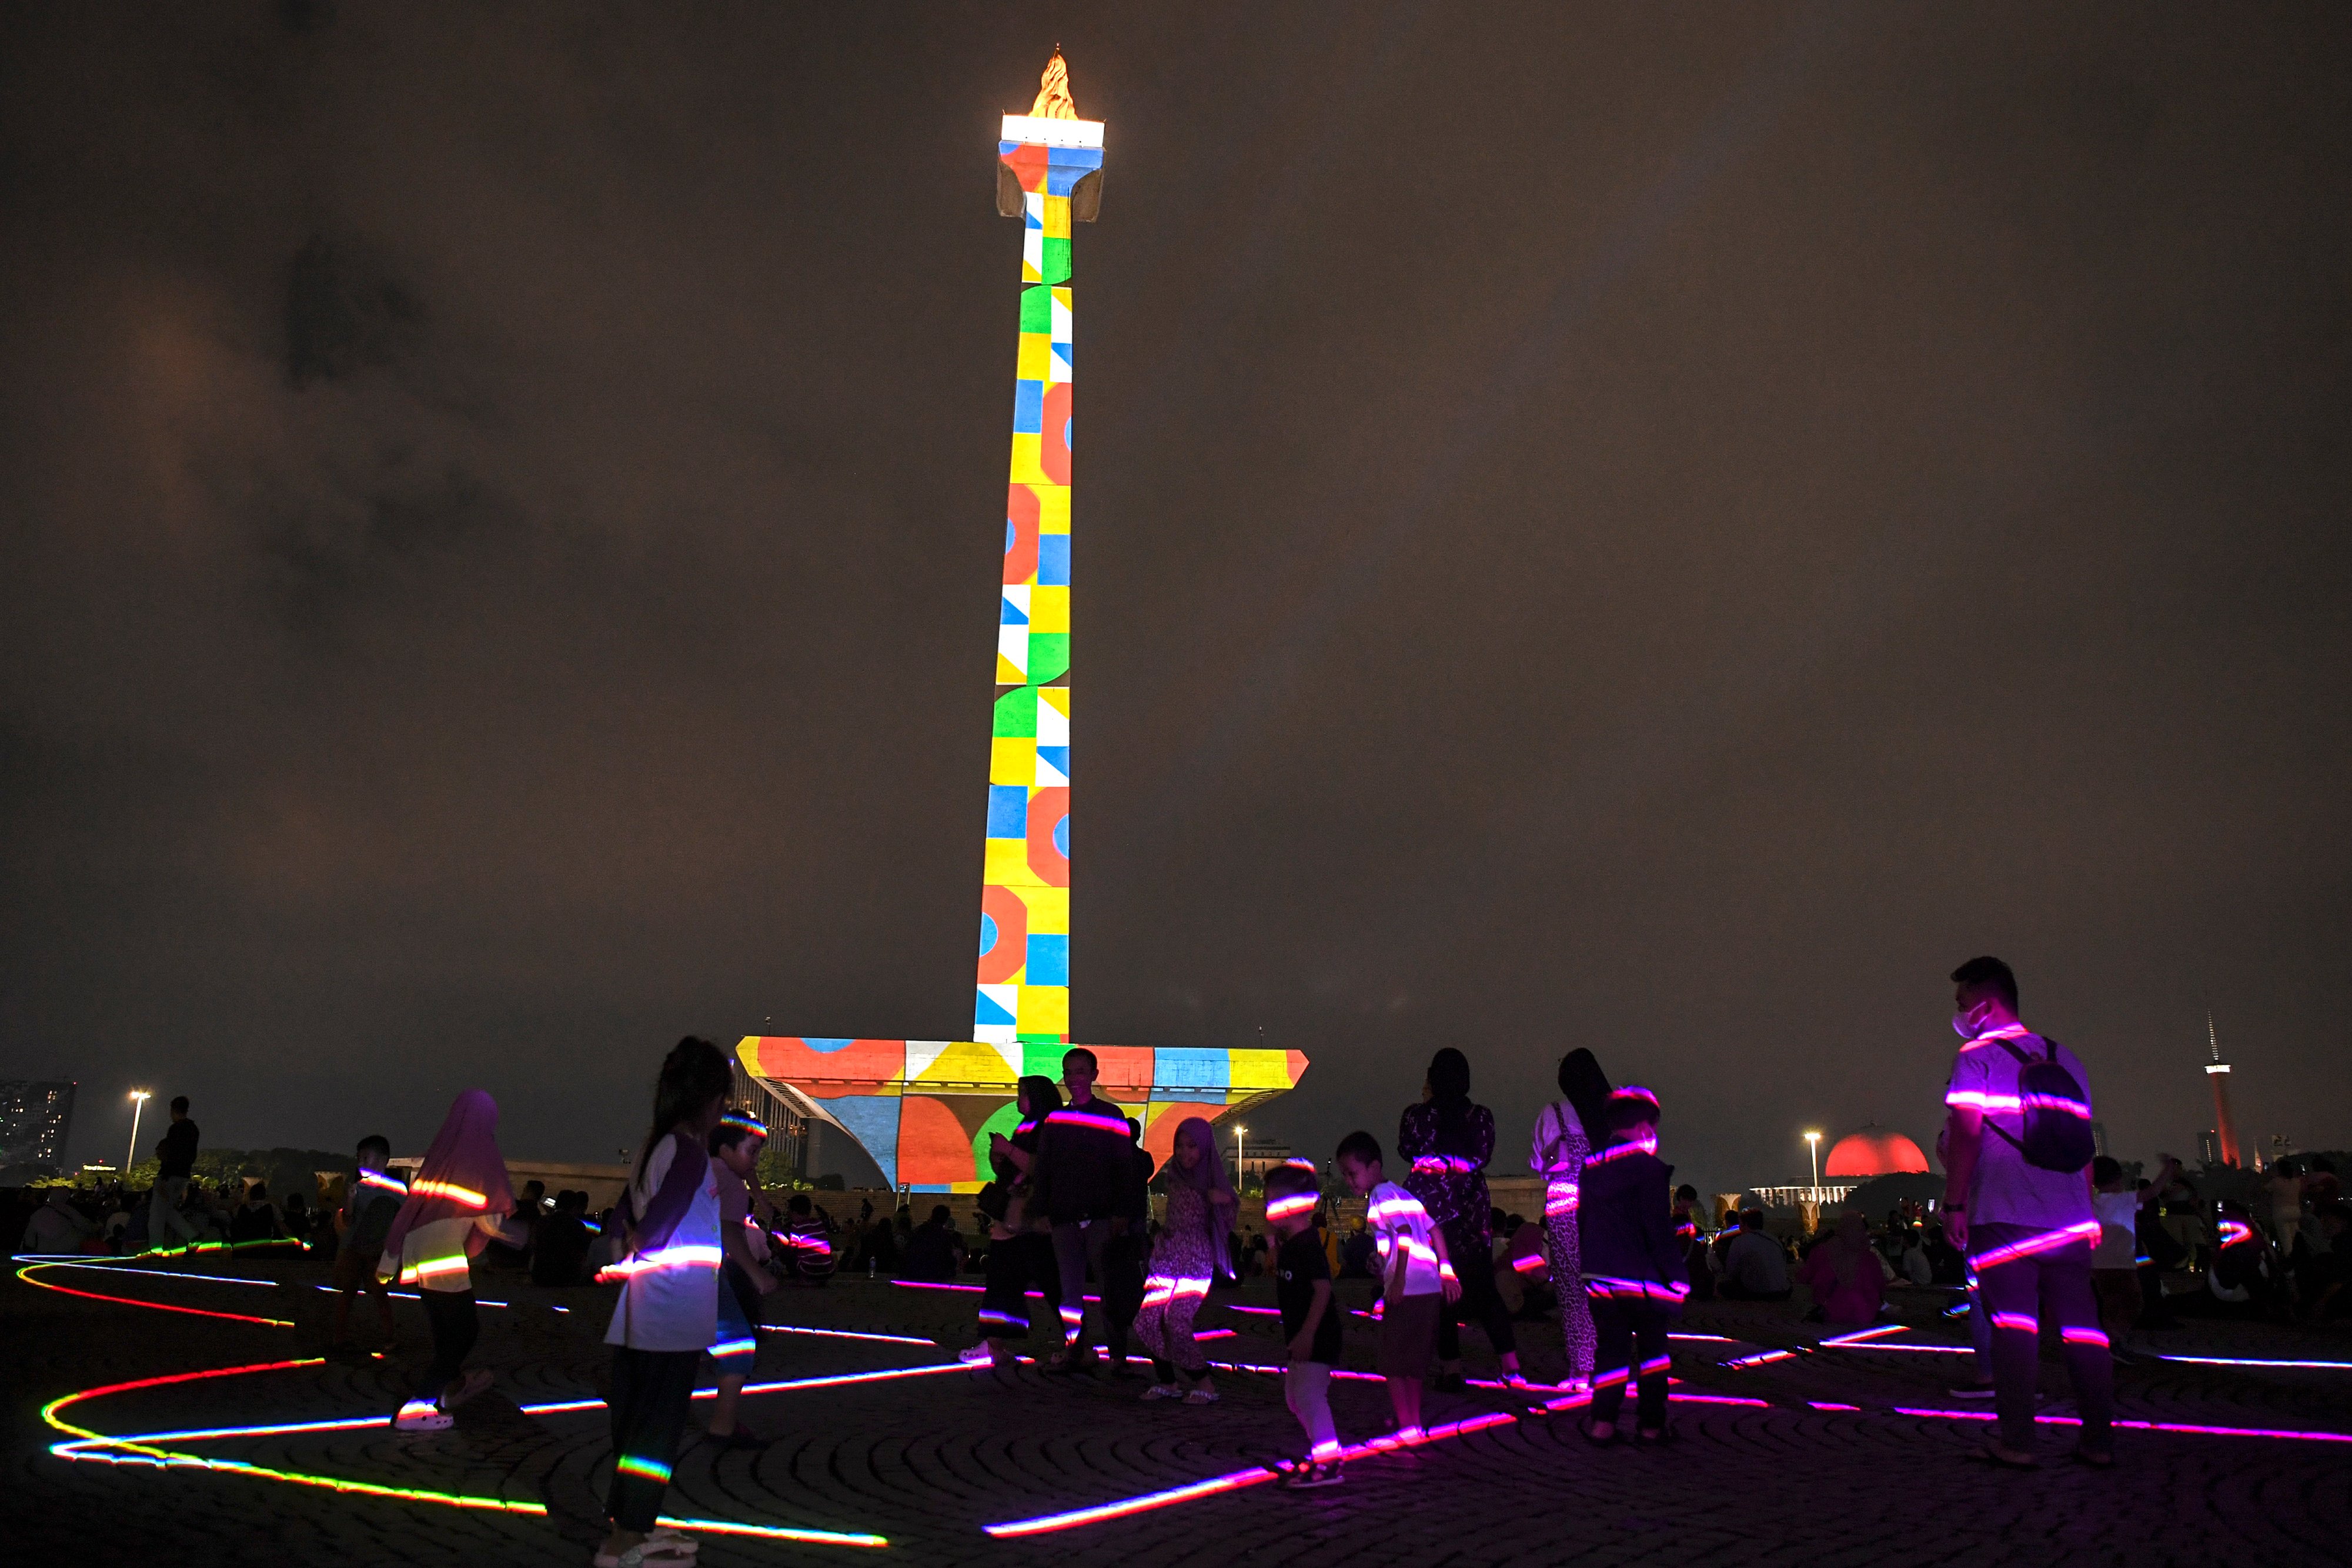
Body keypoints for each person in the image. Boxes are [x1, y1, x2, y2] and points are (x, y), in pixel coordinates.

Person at [1940, 955, 2113, 1468]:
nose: (1958, 1012)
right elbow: (2082, 1144)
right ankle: (2098, 1442)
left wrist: (1955, 1202)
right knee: (2084, 1330)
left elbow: (1967, 1134)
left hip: (2005, 1214)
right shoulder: (2067, 1057)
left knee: (2014, 1327)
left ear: (1986, 1005)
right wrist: (2087, 1210)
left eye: (1963, 1002)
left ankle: (2016, 1441)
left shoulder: (1976, 1056)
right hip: (2069, 1220)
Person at [597, 1037, 733, 1568]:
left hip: (642, 1307)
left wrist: (625, 1251)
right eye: (722, 1099)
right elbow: (655, 1229)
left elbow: (621, 1216)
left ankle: (627, 1523)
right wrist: (644, 1243)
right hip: (674, 1310)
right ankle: (628, 1539)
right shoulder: (691, 1152)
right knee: (658, 1426)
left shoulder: (653, 1145)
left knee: (635, 1418)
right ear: (708, 1099)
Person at [377, 1091, 529, 1432]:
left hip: (418, 1250)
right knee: (465, 1331)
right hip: (445, 1255)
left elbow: (409, 1210)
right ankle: (419, 1406)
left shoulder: (441, 1154)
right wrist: (515, 1235)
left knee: (445, 1331)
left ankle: (452, 1385)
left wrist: (388, 1262)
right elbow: (488, 1220)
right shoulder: (481, 1154)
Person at [1398, 1048, 1522, 1386]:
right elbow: (1483, 1155)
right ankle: (1510, 1363)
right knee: (1483, 1286)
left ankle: (1451, 1367)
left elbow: (1406, 1149)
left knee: (1438, 1286)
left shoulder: (1416, 1117)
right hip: (1470, 1206)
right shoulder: (1480, 1117)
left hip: (1429, 1204)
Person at [1577, 1090, 1688, 1443]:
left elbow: (1583, 1220)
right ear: (1644, 1127)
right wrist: (1676, 1276)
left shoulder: (1590, 1166)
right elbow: (1656, 1228)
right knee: (1653, 1352)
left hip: (1599, 1273)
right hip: (1642, 1277)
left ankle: (1602, 1424)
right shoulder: (1649, 1169)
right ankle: (1652, 1426)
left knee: (1611, 1350)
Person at [1336, 1129, 1458, 1443]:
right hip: (1428, 1286)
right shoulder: (1405, 1195)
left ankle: (1407, 1427)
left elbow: (1403, 1234)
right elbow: (1435, 1231)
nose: (1349, 1181)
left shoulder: (1379, 1196)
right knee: (1414, 1364)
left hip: (1407, 1288)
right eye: (1345, 1175)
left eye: (1352, 1173)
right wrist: (1446, 1272)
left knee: (1392, 1363)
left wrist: (1398, 1279)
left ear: (1374, 1167)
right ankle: (1412, 1422)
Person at [1028, 1048, 1134, 1373]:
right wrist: (1041, 1211)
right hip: (1065, 1219)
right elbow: (1044, 1169)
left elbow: (1125, 1169)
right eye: (1068, 1072)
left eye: (1080, 1071)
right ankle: (1075, 1351)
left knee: (1109, 1290)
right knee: (1070, 1294)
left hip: (1102, 1218)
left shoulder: (1112, 1115)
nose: (1074, 1078)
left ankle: (1118, 1356)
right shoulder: (1055, 1120)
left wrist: (1122, 1213)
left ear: (1094, 1075)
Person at [1135, 1116, 1234, 1403]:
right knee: (1146, 1320)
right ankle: (1168, 1381)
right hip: (1167, 1258)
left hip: (1196, 1263)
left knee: (1176, 1320)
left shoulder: (1214, 1183)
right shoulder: (1174, 1177)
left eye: (1192, 1146)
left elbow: (1227, 1220)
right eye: (1180, 1146)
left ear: (1205, 1147)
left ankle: (1205, 1383)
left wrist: (1224, 1202)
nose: (1184, 1153)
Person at [1530, 1048, 1612, 1389]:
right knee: (1605, 1285)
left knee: (1571, 1287)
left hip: (1566, 1207)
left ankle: (1581, 1368)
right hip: (1605, 1205)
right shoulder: (1612, 1112)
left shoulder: (1555, 1113)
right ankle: (1611, 1364)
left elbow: (1539, 1161)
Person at [968, 1075, 1063, 1367]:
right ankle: (995, 1344)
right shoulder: (1026, 1127)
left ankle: (1078, 1344)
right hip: (1017, 1222)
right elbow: (1013, 1171)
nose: (1018, 1099)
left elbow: (1040, 1167)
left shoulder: (1048, 1128)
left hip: (1030, 1219)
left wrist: (1007, 1149)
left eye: (1023, 1093)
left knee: (1050, 1286)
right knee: (1009, 1283)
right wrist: (999, 1157)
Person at [1265, 1164, 1344, 1489]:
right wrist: (1273, 1245)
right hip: (1300, 1333)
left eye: (1271, 1201)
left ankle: (1329, 1461)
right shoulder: (1292, 1244)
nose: (1267, 1209)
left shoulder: (1309, 1245)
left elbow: (1323, 1290)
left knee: (1309, 1397)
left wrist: (1308, 1334)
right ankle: (1323, 1451)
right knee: (1296, 1398)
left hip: (1317, 1335)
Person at [706, 1109, 779, 1450]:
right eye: (753, 1151)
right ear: (726, 1150)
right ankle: (723, 1426)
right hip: (704, 1274)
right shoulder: (732, 1185)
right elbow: (730, 1232)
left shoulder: (705, 1168)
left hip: (669, 1270)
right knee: (738, 1345)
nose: (756, 1161)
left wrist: (760, 1196)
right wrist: (757, 1274)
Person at [2093, 1154, 2176, 1353]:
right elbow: (2154, 1191)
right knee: (2134, 1302)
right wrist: (2168, 1168)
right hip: (2122, 1264)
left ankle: (2109, 1339)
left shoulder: (2093, 1202)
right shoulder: (2125, 1199)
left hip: (2098, 1265)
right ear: (2118, 1179)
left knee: (2110, 1302)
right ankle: (2114, 1338)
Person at [329, 1135, 403, 1359]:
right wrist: (350, 1199)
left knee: (379, 1294)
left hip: (376, 1251)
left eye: (365, 1158)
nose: (360, 1163)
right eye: (359, 1158)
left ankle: (389, 1337)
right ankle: (339, 1338)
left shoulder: (398, 1190)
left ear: (382, 1160)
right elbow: (348, 1219)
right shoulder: (358, 1188)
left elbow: (402, 1220)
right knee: (348, 1293)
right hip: (353, 1249)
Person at [1097, 1118, 1154, 1373]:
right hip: (1137, 1222)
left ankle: (1118, 1351)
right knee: (1141, 1276)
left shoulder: (1113, 1160)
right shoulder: (1144, 1159)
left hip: (1117, 1224)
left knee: (1113, 1284)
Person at [1796, 1211, 1888, 1326]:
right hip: (1865, 1315)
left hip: (1830, 1314)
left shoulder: (1822, 1252)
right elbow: (1880, 1286)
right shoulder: (1869, 1257)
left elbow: (1804, 1277)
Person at [147, 1095, 203, 1253]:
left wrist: (164, 1177)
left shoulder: (175, 1129)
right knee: (168, 1210)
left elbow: (171, 1154)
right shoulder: (194, 1129)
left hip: (169, 1176)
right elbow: (191, 1155)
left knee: (157, 1213)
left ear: (173, 1111)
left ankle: (156, 1248)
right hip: (183, 1176)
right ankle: (193, 1236)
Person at [1719, 1214, 1792, 1301]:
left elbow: (1731, 1272)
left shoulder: (1739, 1241)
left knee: (1723, 1286)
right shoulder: (1775, 1241)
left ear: (1745, 1224)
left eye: (1740, 1224)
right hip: (1782, 1291)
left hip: (1756, 1292)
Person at [534, 1189, 596, 1286]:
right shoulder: (577, 1225)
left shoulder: (542, 1221)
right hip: (566, 1275)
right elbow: (585, 1248)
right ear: (574, 1206)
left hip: (541, 1274)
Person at [901, 1205, 965, 1283]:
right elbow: (947, 1257)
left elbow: (908, 1250)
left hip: (915, 1272)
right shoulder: (944, 1236)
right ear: (945, 1219)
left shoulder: (919, 1231)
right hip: (935, 1274)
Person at [21, 1186, 98, 1253]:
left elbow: (30, 1238)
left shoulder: (38, 1213)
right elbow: (86, 1226)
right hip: (67, 1250)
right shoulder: (70, 1211)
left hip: (44, 1250)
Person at [780, 1194, 834, 1285]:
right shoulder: (819, 1223)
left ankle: (804, 1278)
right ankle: (820, 1277)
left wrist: (780, 1235)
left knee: (785, 1253)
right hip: (828, 1271)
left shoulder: (797, 1227)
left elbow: (791, 1249)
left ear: (794, 1212)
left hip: (808, 1271)